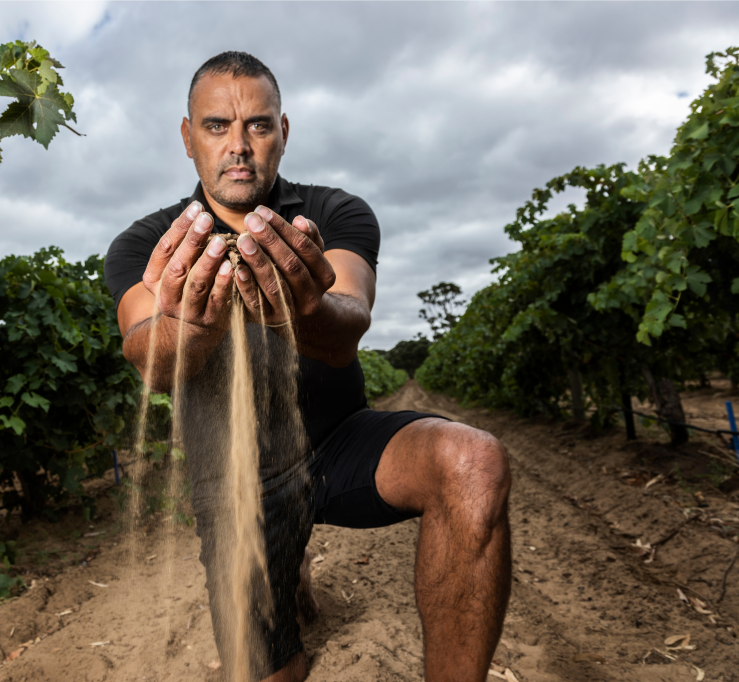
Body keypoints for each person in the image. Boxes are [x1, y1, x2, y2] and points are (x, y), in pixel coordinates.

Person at [104, 51, 511, 682]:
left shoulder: (333, 213)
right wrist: (192, 328)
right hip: (236, 480)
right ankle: (288, 573)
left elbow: (349, 322)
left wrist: (303, 306)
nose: (239, 145)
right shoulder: (147, 244)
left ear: (283, 133)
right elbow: (151, 357)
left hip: (339, 444)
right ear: (188, 139)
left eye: (258, 126)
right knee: (276, 671)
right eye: (216, 126)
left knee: (474, 461)